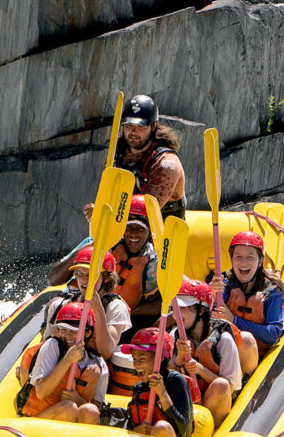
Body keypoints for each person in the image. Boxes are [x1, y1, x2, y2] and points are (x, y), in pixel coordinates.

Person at [83, 93, 187, 222]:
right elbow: (108, 194)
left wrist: (108, 209)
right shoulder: (117, 156)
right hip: (122, 224)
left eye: (141, 127)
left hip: (161, 230)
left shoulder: (166, 164)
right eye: (129, 126)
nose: (133, 132)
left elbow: (148, 209)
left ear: (153, 126)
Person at [15, 302, 108, 423]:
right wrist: (67, 360)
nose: (67, 335)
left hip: (71, 423)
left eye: (74, 331)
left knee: (90, 411)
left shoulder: (98, 363)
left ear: (88, 332)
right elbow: (41, 393)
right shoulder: (52, 347)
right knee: (68, 408)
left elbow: (98, 411)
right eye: (63, 330)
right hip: (37, 421)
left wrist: (78, 400)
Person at [170, 279, 242, 428]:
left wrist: (200, 370)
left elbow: (230, 388)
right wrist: (179, 359)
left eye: (183, 307)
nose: (176, 313)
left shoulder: (224, 340)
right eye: (176, 307)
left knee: (221, 385)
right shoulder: (174, 335)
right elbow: (168, 377)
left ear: (201, 310)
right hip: (186, 403)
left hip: (213, 403)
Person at [210, 230, 284, 369]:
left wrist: (234, 320)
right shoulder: (225, 284)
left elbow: (274, 334)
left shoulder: (272, 291)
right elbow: (212, 319)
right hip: (226, 352)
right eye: (238, 256)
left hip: (254, 355)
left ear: (259, 262)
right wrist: (210, 295)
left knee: (245, 340)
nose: (243, 262)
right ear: (232, 259)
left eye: (250, 257)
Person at [42, 245, 131, 359]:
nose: (84, 279)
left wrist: (98, 311)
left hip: (94, 371)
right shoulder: (60, 305)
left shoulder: (116, 308)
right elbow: (47, 349)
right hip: (61, 369)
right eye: (80, 274)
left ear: (107, 277)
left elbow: (105, 352)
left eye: (90, 274)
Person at [122, 328, 194, 437]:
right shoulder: (139, 388)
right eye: (134, 359)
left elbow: (184, 431)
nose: (136, 364)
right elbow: (129, 425)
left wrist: (162, 394)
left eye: (142, 358)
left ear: (159, 357)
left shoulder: (176, 381)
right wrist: (137, 430)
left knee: (161, 428)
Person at [110, 195, 161, 340]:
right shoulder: (108, 246)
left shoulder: (154, 261)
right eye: (129, 227)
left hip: (134, 321)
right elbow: (54, 277)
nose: (133, 233)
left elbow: (159, 305)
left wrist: (119, 314)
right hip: (101, 313)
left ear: (149, 232)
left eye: (140, 229)